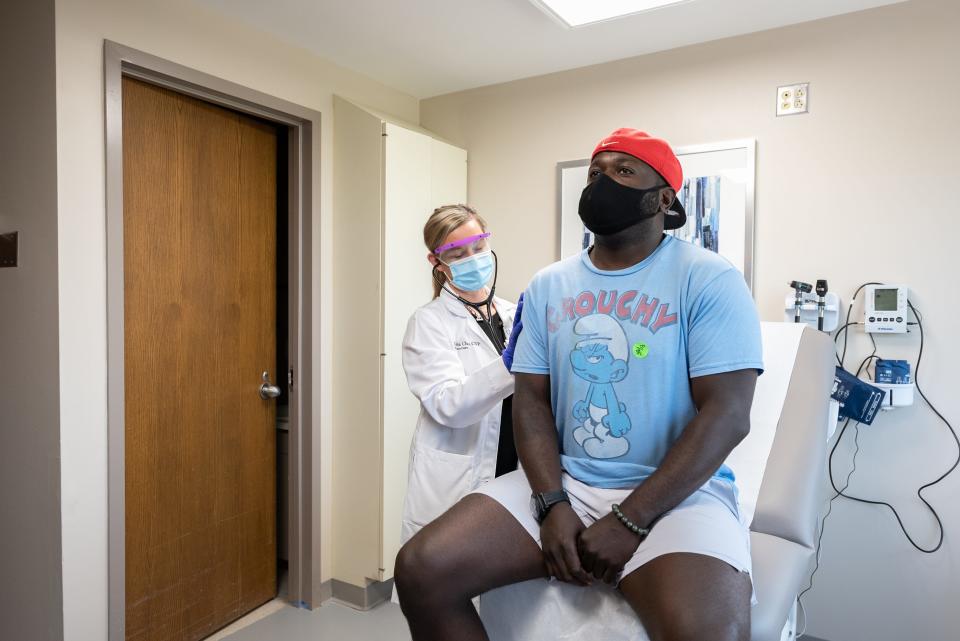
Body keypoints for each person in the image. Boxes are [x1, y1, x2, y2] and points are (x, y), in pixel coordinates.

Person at [394, 129, 764, 641]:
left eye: (624, 171)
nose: (603, 182)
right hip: (569, 481)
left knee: (711, 632)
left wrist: (631, 520)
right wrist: (551, 503)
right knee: (420, 568)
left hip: (677, 496)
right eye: (595, 172)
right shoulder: (549, 285)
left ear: (665, 198)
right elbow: (530, 400)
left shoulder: (708, 279)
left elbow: (727, 413)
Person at [398, 204, 524, 545]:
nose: (472, 258)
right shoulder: (429, 323)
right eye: (457, 253)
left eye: (478, 248)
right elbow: (448, 406)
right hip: (462, 475)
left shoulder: (515, 314)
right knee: (453, 576)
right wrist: (510, 363)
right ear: (437, 263)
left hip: (514, 468)